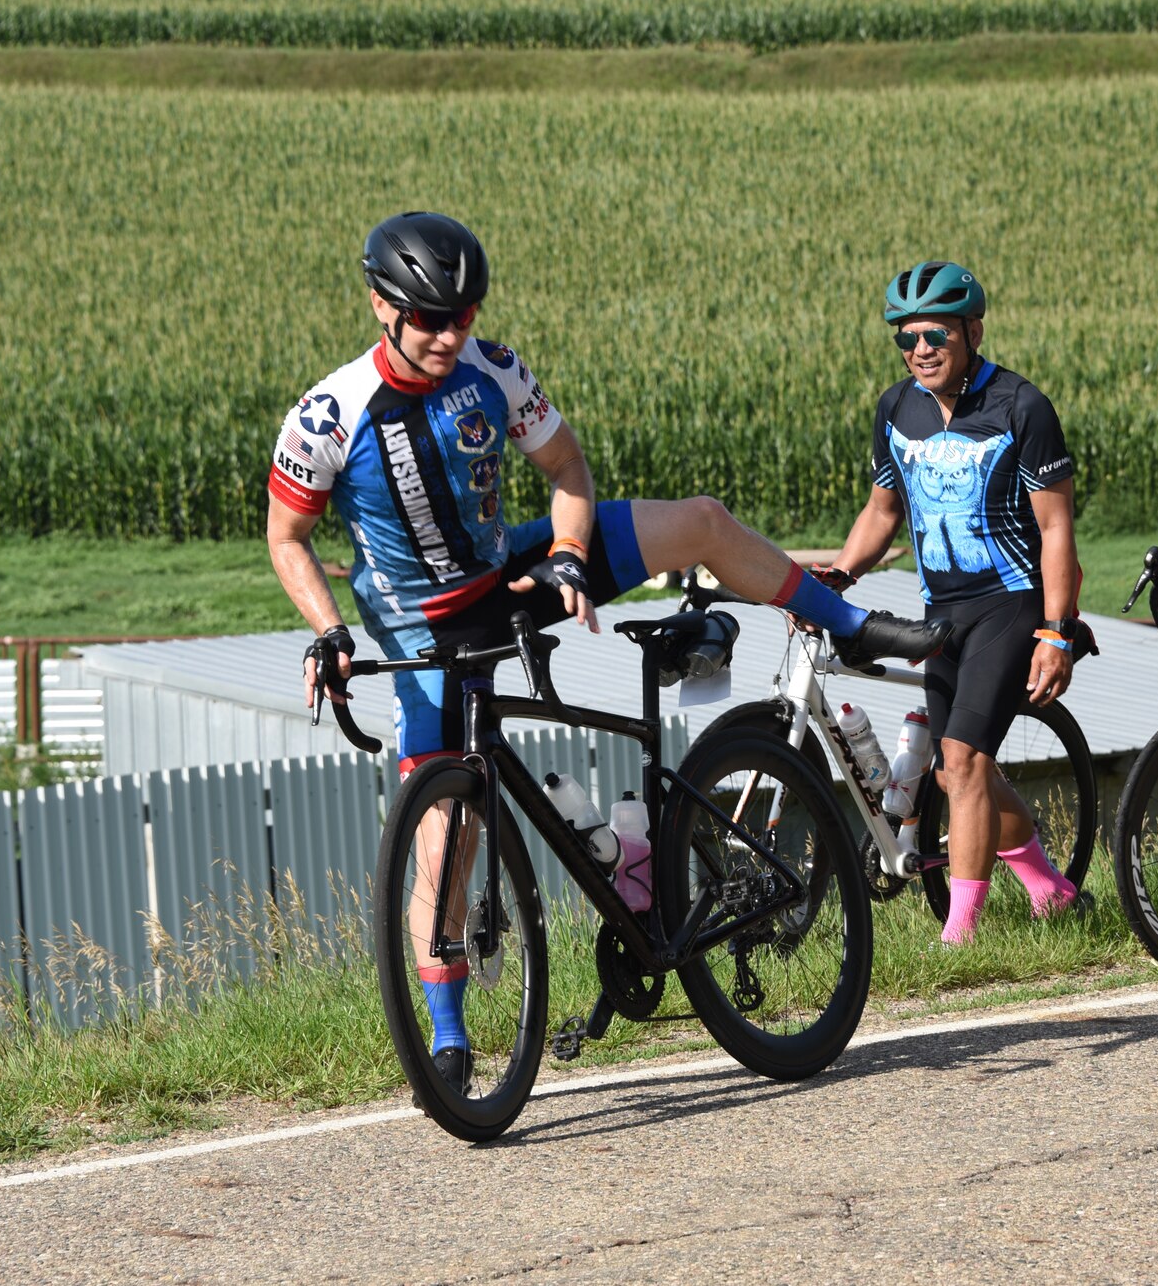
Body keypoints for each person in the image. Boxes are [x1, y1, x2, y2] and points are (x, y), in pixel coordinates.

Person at [268, 212, 951, 1086]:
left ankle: (844, 622)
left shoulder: (493, 369)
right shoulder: (331, 413)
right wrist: (328, 628)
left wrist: (564, 551)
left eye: (463, 316)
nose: (449, 335)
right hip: (420, 623)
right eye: (430, 319)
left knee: (700, 520)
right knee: (445, 820)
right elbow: (288, 535)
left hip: (508, 570)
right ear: (380, 306)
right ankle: (446, 1037)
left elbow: (567, 474)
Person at [816, 261, 1086, 945]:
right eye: (906, 339)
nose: (921, 350)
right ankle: (1050, 889)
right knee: (955, 767)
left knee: (962, 761)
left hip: (1009, 603)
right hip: (941, 610)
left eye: (935, 333)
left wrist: (1057, 631)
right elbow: (882, 511)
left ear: (973, 331)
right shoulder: (895, 407)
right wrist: (840, 575)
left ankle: (958, 933)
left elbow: (1056, 531)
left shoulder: (1021, 406)